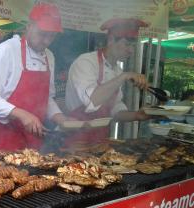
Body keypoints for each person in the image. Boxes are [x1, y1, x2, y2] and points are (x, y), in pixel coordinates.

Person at [0, 3, 69, 150]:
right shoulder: (6, 50)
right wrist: (22, 114)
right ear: (29, 26)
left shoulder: (49, 56)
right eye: (42, 34)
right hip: (5, 138)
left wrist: (60, 118)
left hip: (34, 141)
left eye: (51, 36)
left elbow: (47, 98)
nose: (46, 41)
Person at [64, 18, 150, 147]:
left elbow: (115, 110)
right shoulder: (86, 62)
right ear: (110, 40)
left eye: (133, 45)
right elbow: (92, 100)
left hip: (100, 141)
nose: (131, 50)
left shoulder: (117, 70)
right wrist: (124, 76)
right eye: (127, 44)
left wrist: (137, 115)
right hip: (75, 141)